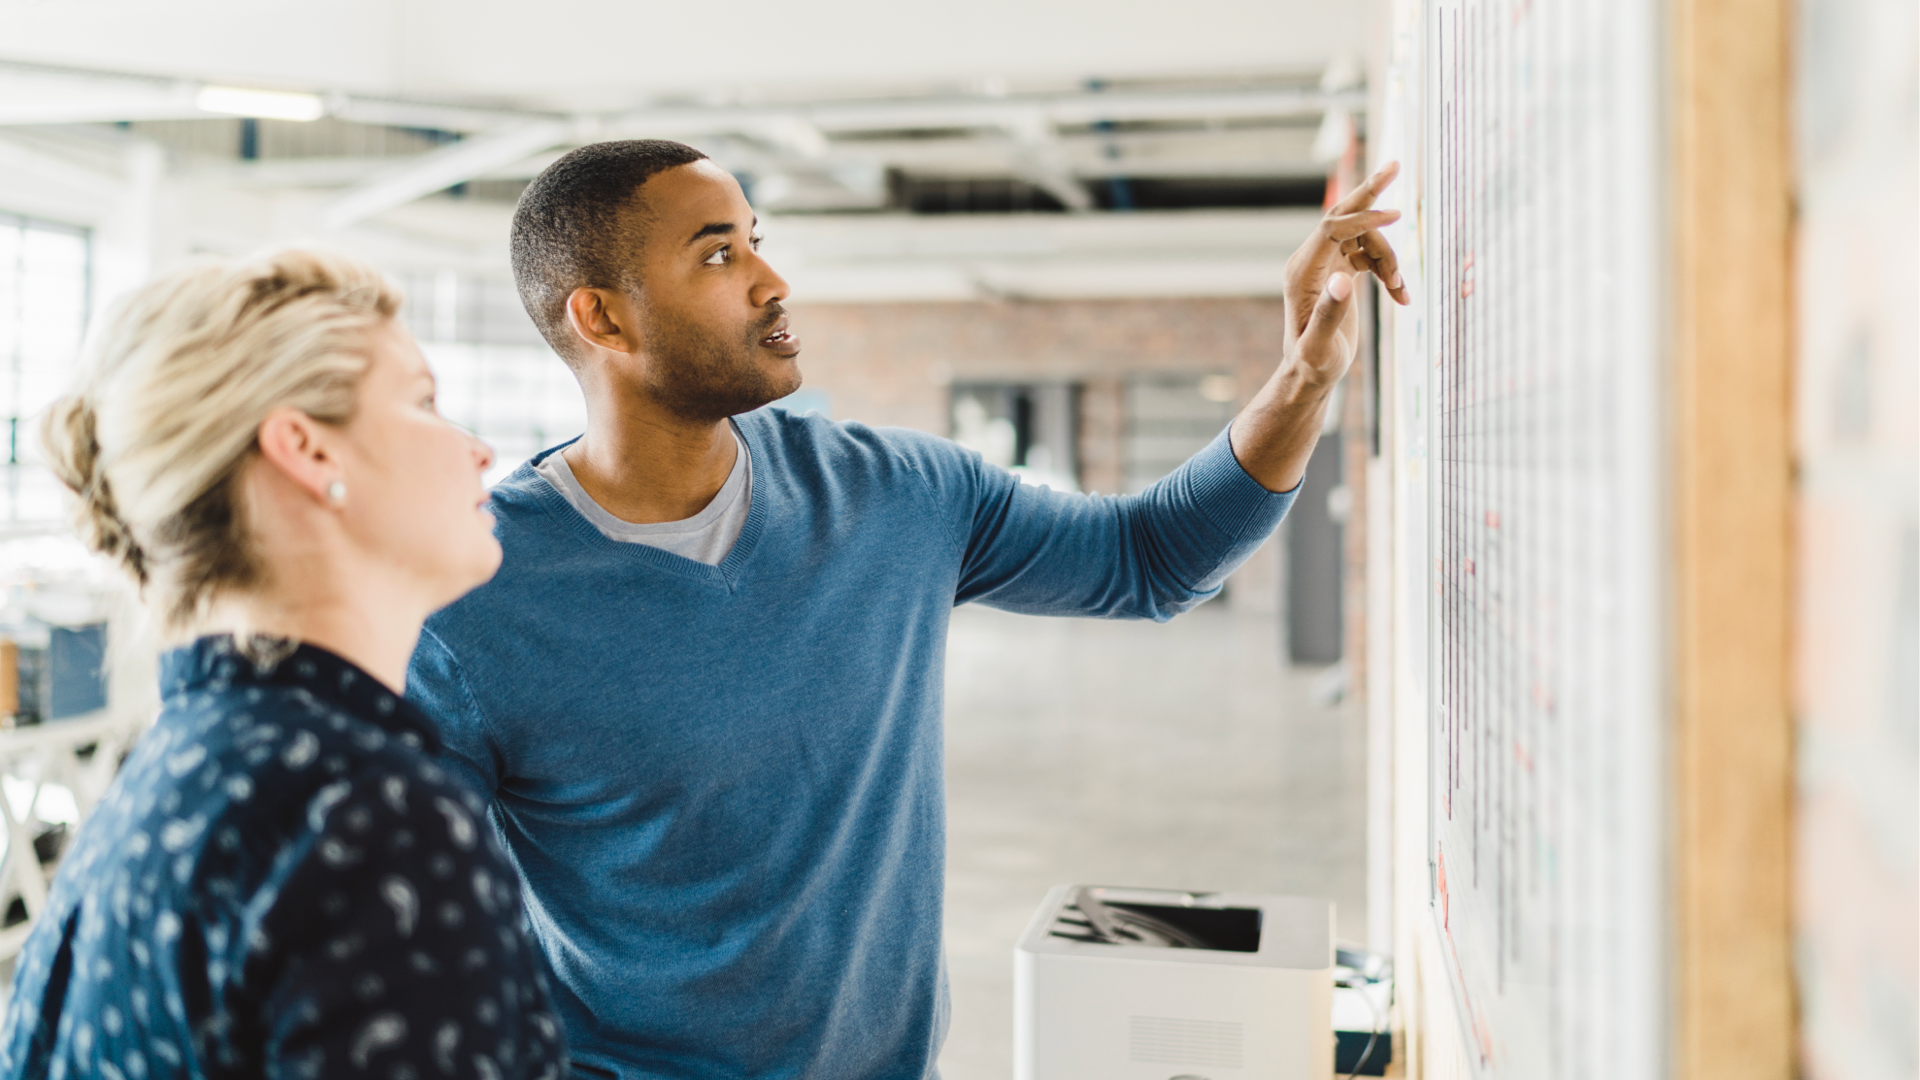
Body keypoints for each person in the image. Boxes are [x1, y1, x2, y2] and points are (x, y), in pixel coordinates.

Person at [408, 139, 1407, 1079]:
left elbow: (1149, 560)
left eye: (757, 241)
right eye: (717, 256)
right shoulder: (467, 597)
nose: (771, 281)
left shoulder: (896, 495)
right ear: (603, 319)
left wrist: (1306, 379)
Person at [1, 251, 569, 1079]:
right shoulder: (367, 819)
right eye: (422, 402)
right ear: (307, 449)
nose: (478, 450)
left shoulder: (185, 776)